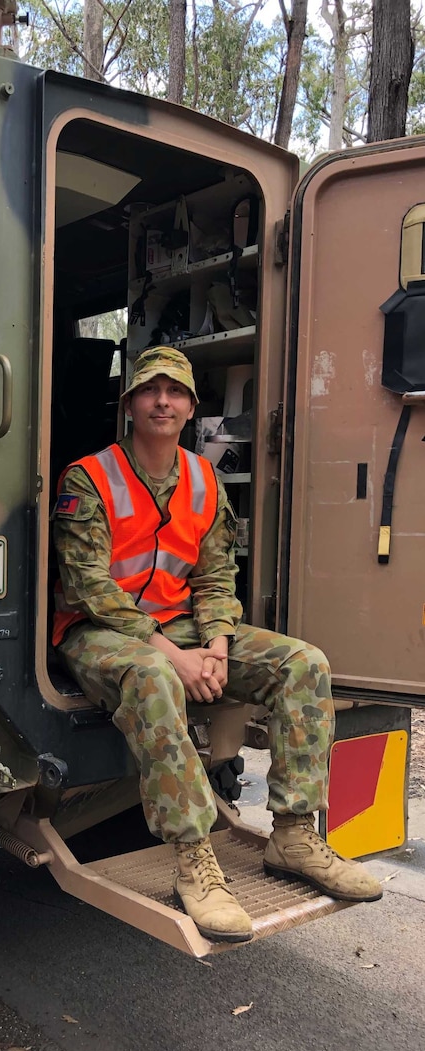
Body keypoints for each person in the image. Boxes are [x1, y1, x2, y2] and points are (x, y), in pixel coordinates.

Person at [52, 345, 382, 943]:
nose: (162, 401)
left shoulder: (204, 479)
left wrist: (218, 647)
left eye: (174, 392)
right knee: (154, 677)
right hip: (100, 633)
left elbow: (214, 577)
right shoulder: (89, 476)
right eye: (150, 390)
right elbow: (87, 585)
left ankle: (294, 836)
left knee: (303, 663)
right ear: (129, 405)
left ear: (190, 409)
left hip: (181, 628)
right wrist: (174, 656)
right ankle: (194, 861)